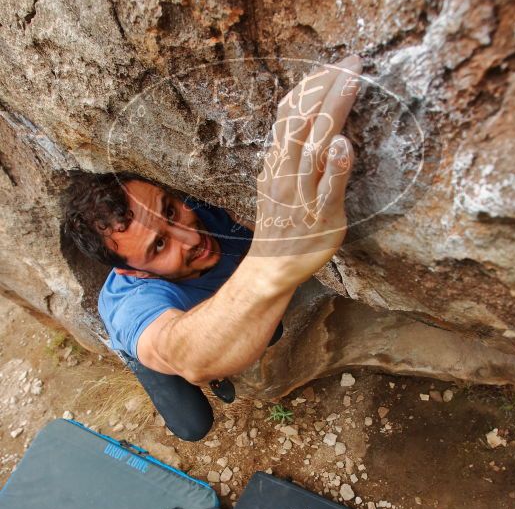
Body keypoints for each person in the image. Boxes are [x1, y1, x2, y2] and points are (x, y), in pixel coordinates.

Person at [62, 54, 361, 441]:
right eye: (159, 246)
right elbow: (182, 351)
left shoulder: (202, 208)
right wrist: (271, 266)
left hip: (207, 298)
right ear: (133, 271)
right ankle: (143, 359)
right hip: (160, 337)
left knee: (261, 331)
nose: (190, 236)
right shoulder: (133, 305)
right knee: (193, 425)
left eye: (170, 209)